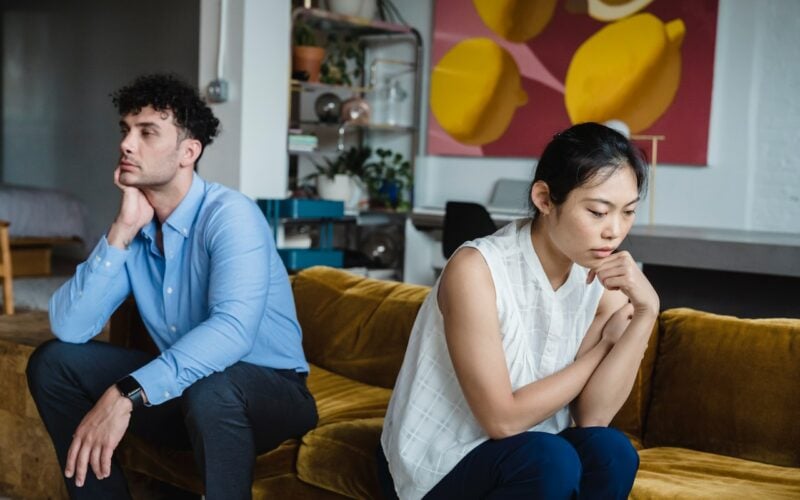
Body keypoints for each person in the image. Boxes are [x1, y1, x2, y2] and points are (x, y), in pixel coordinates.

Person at [26, 73, 317, 499]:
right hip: (186, 394)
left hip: (271, 396)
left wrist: (126, 392)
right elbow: (70, 328)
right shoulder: (139, 227)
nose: (127, 144)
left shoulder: (230, 215)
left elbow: (232, 331)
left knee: (213, 386)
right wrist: (121, 232)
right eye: (126, 130)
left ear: (188, 152)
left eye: (147, 133)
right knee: (53, 362)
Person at [380, 122, 659, 499]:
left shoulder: (599, 280)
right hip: (439, 465)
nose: (614, 230)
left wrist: (646, 313)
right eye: (597, 212)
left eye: (627, 212)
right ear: (545, 199)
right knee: (550, 458)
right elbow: (502, 420)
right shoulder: (476, 269)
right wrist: (601, 350)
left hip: (529, 456)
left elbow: (593, 418)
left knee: (612, 452)